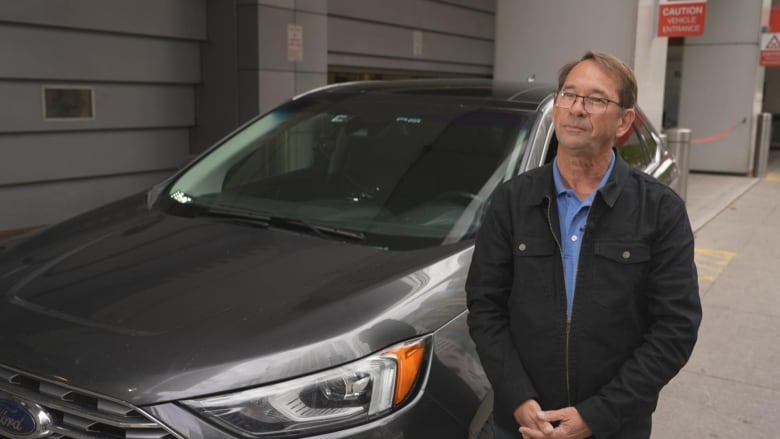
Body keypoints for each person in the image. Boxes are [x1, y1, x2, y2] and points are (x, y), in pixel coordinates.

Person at [465, 51, 701, 439]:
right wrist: (517, 398)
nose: (577, 108)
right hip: (523, 425)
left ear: (624, 120)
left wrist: (600, 413)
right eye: (568, 95)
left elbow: (675, 328)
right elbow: (485, 307)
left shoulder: (659, 210)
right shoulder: (511, 201)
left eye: (595, 99)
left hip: (614, 427)